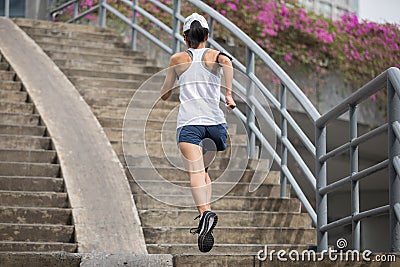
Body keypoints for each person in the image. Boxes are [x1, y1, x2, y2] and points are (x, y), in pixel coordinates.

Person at [160, 13, 236, 253]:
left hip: (190, 125)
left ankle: (204, 214)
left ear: (185, 37)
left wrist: (170, 86)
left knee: (194, 171)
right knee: (204, 172)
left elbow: (165, 93)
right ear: (207, 35)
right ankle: (208, 212)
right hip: (215, 126)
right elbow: (228, 62)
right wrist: (228, 94)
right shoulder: (215, 55)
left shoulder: (177, 59)